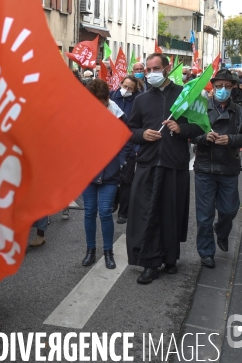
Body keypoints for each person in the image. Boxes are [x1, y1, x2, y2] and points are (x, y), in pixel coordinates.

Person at [126, 53, 204, 284]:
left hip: (174, 164)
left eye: (155, 69)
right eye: (148, 70)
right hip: (148, 164)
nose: (151, 74)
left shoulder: (184, 96)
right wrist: (142, 134)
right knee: (147, 213)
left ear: (167, 68)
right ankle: (150, 262)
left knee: (171, 212)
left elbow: (200, 127)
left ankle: (171, 257)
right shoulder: (141, 100)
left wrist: (182, 130)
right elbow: (130, 131)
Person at [192, 69, 242, 268]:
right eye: (219, 86)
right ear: (213, 86)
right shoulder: (201, 108)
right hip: (204, 167)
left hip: (229, 167)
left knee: (229, 210)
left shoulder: (241, 110)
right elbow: (191, 134)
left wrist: (231, 140)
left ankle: (221, 232)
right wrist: (204, 137)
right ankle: (206, 252)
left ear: (233, 87)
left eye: (227, 86)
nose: (223, 90)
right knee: (204, 216)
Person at [81, 79, 126, 269]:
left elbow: (126, 142)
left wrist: (121, 162)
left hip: (109, 171)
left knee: (105, 212)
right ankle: (90, 250)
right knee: (89, 212)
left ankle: (108, 251)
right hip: (87, 171)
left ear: (107, 99)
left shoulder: (117, 115)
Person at [110, 75, 142, 224]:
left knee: (126, 178)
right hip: (111, 144)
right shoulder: (112, 96)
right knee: (112, 175)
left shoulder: (138, 100)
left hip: (128, 144)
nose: (126, 90)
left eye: (130, 88)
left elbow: (137, 125)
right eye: (125, 86)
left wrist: (136, 146)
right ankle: (114, 201)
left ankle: (124, 211)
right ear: (121, 84)